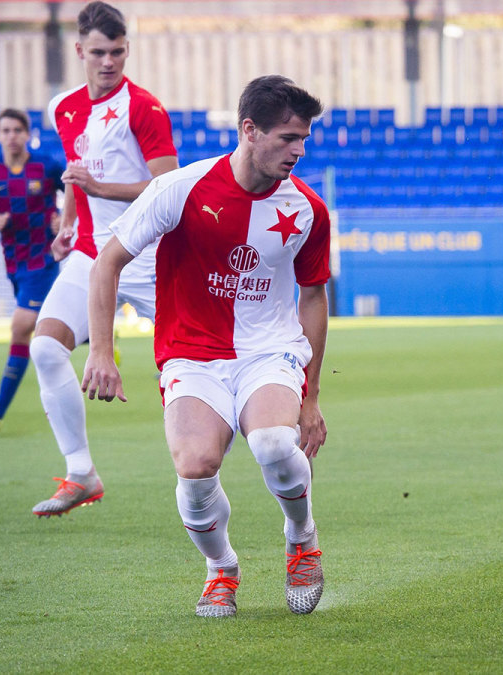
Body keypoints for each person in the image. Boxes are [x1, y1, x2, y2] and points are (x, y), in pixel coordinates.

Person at [81, 75, 330, 618]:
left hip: (268, 350)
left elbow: (313, 296)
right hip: (192, 352)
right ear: (249, 130)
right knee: (195, 467)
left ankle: (302, 540)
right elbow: (107, 262)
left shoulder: (308, 209)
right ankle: (221, 569)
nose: (299, 151)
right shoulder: (181, 189)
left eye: (304, 139)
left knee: (273, 443)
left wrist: (310, 397)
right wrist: (100, 350)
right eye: (288, 138)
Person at [29, 0, 178, 517]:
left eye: (117, 51)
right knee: (45, 349)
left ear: (127, 49)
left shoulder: (145, 109)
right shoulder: (63, 107)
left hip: (148, 254)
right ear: (79, 51)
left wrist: (101, 188)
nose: (109, 61)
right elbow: (77, 171)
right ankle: (81, 473)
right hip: (91, 251)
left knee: (200, 358)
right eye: (98, 53)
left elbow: (167, 186)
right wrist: (68, 219)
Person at [0, 109, 66, 433]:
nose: (11, 136)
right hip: (13, 262)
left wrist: (64, 220)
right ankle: (98, 334)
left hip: (43, 260)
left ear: (27, 134)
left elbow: (78, 193)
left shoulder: (47, 166)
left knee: (21, 327)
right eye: (5, 130)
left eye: (17, 130)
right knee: (48, 327)